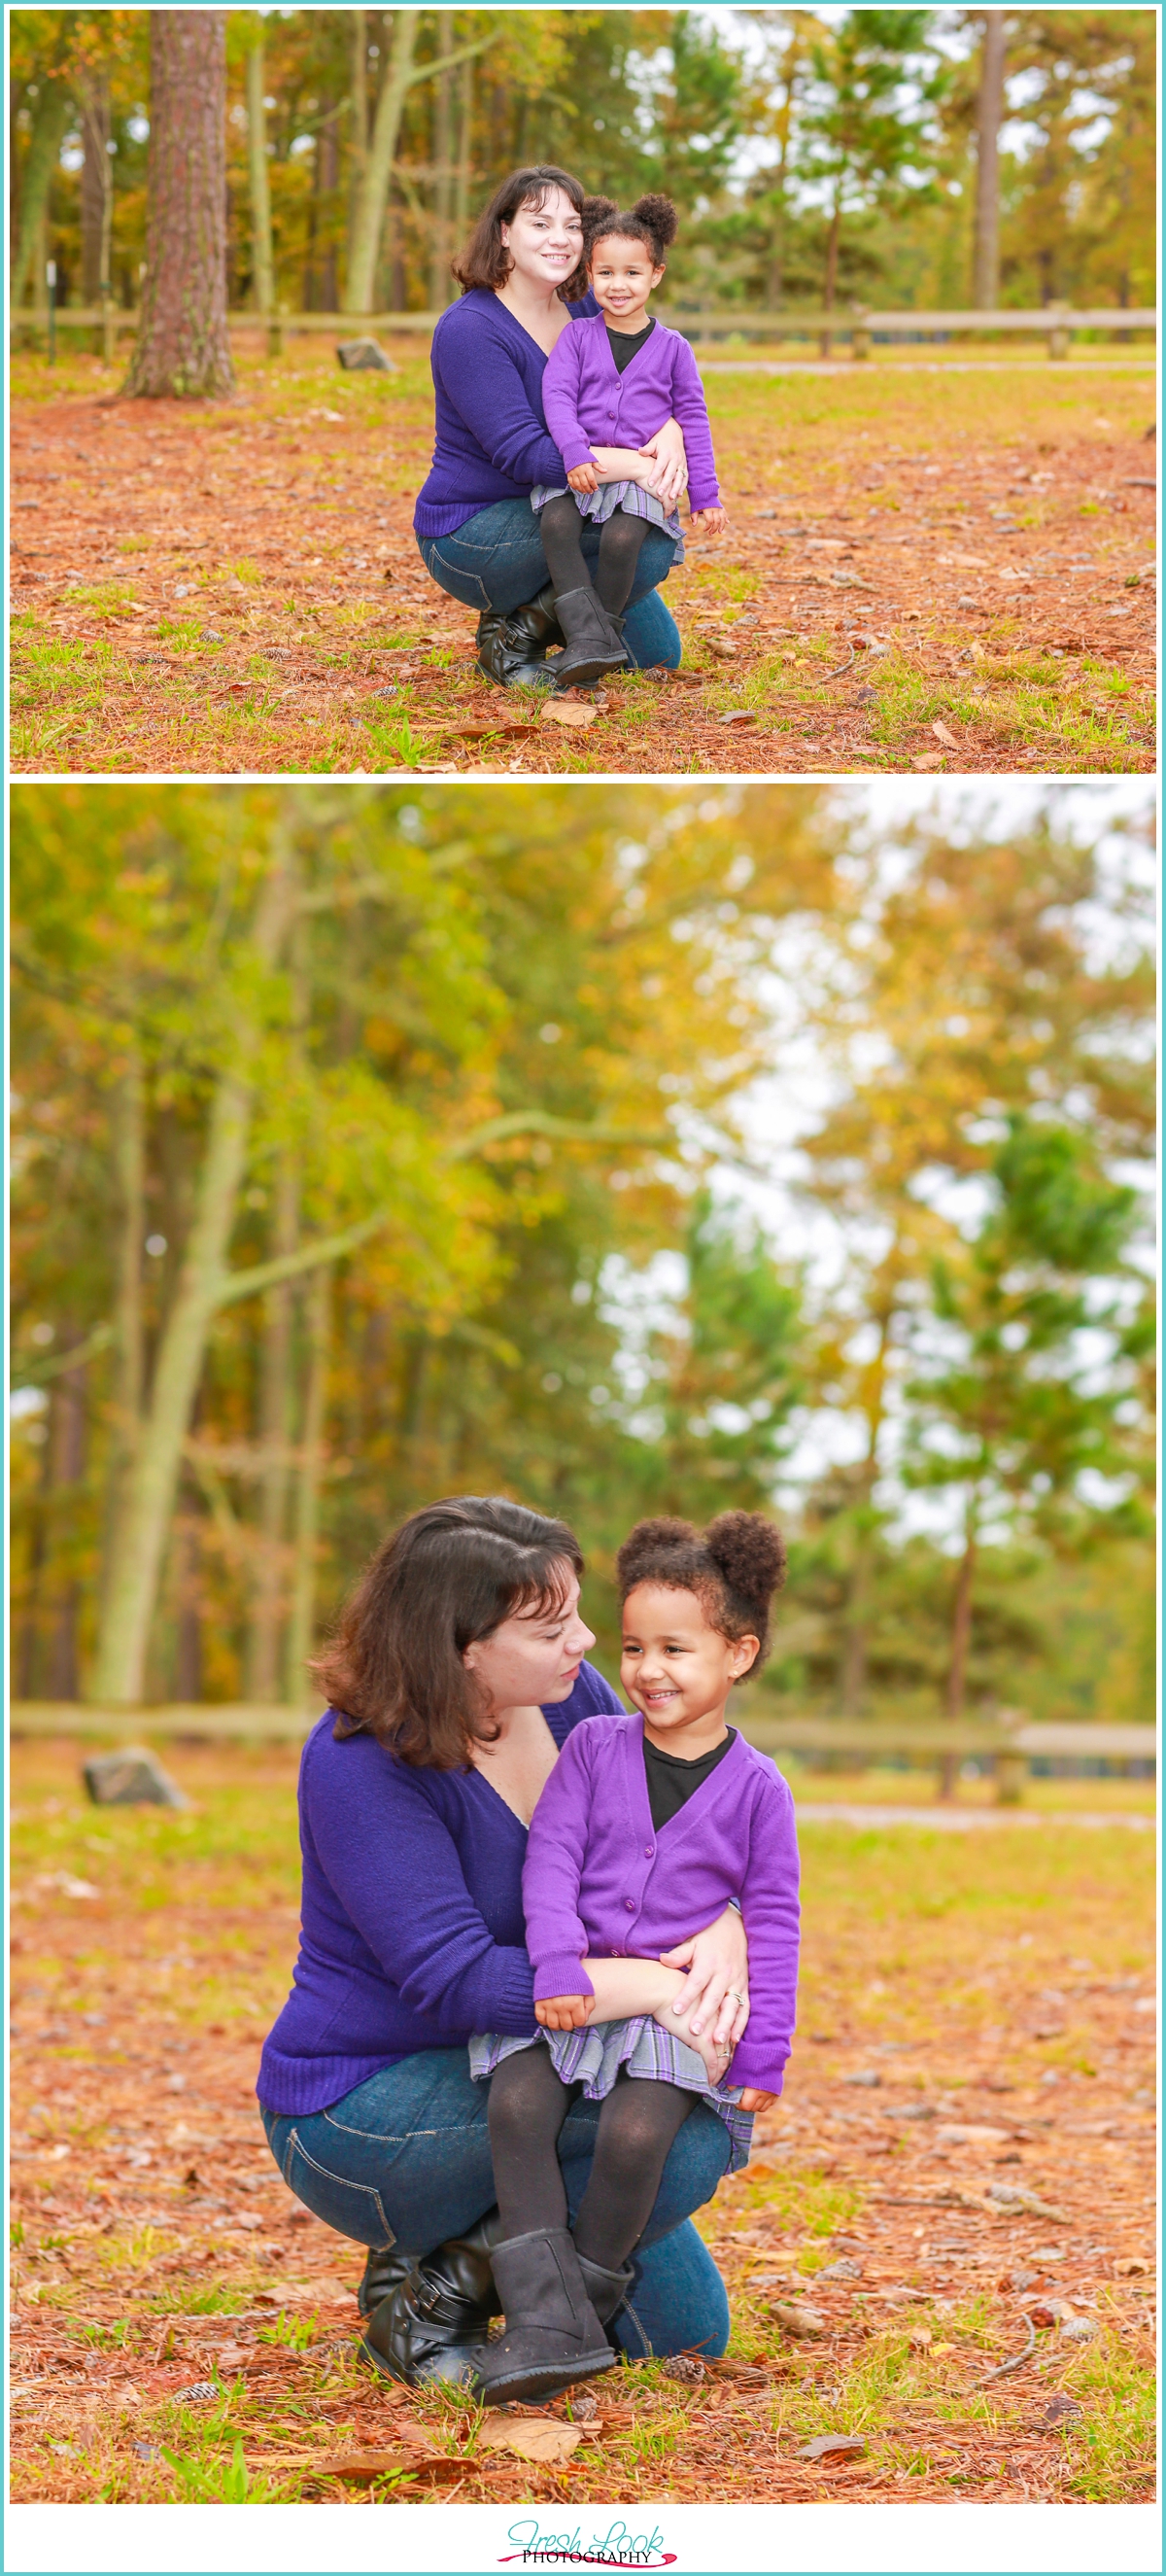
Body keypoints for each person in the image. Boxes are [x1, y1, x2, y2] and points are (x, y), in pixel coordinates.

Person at [257, 1496, 753, 2387]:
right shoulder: (359, 1760)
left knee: (682, 2337)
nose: (589, 1641)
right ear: (461, 1645)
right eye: (552, 1625)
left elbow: (668, 1849)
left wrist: (719, 1925)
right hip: (369, 2098)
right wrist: (664, 1989)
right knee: (679, 2137)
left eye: (576, 1612)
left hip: (536, 2061)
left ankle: (441, 2245)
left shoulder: (577, 1709)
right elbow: (456, 1981)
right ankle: (438, 2294)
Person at [466, 1511, 800, 2405]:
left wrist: (764, 2047)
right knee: (517, 2101)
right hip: (587, 1991)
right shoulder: (591, 1746)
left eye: (677, 1650)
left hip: (672, 2009)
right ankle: (543, 2321)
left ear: (739, 1654)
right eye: (635, 1647)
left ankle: (579, 2298)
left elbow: (773, 1918)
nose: (648, 1670)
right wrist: (557, 1964)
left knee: (640, 2132)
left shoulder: (760, 1788)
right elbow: (553, 1861)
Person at [413, 166, 691, 689]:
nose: (559, 239)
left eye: (572, 225)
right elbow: (525, 454)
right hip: (476, 527)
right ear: (504, 232)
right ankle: (516, 635)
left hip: (574, 503)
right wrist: (641, 466)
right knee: (649, 538)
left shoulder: (588, 307)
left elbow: (649, 381)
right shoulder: (470, 329)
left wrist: (671, 428)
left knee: (655, 655)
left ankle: (523, 617)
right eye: (540, 223)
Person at [535, 192, 726, 687]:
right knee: (556, 522)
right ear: (590, 275)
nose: (618, 285)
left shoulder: (674, 349)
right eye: (605, 273)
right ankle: (588, 640)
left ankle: (596, 641)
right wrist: (575, 452)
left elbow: (694, 419)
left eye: (632, 273)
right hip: (591, 465)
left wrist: (704, 493)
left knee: (623, 539)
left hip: (639, 480)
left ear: (656, 274)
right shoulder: (576, 337)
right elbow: (556, 396)